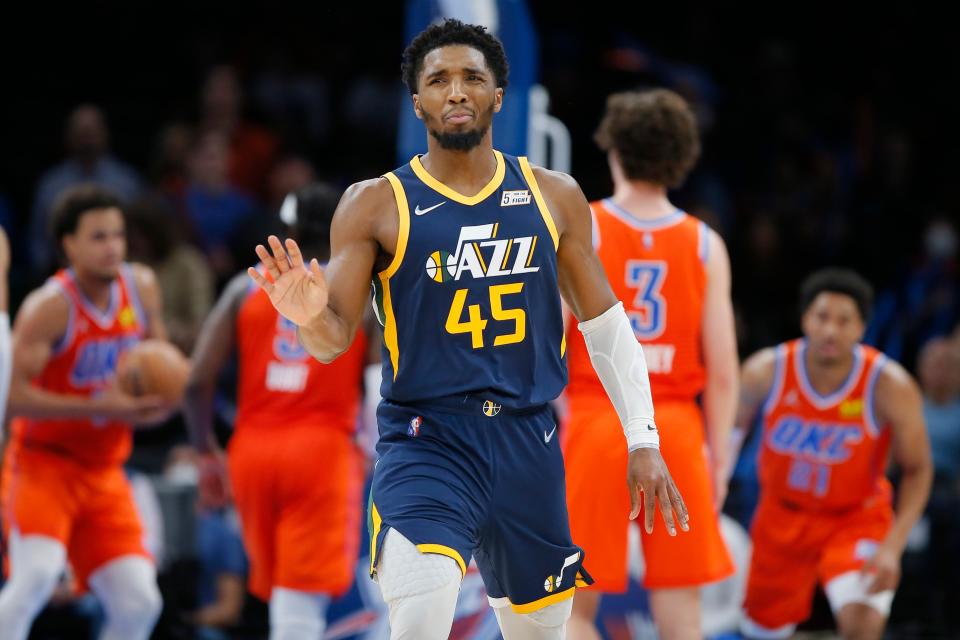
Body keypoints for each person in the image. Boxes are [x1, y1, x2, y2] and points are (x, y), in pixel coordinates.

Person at [247, 19, 688, 639]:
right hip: (427, 440)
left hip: (526, 440)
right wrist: (306, 315)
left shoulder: (553, 195)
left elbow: (608, 328)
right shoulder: (374, 203)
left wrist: (643, 439)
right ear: (417, 100)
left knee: (541, 631)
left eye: (472, 78)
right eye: (439, 80)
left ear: (497, 96)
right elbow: (330, 342)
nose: (456, 91)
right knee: (423, 612)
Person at [562, 89, 737, 640]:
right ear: (680, 157)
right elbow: (725, 369)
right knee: (681, 612)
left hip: (596, 419)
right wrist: (720, 457)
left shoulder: (583, 226)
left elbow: (549, 339)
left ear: (613, 149)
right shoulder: (706, 244)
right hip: (677, 429)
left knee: (573, 610)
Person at [184, 183, 373, 640]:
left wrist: (206, 451)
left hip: (251, 451)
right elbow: (378, 383)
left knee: (281, 596)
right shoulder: (359, 293)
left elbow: (195, 383)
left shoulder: (241, 288)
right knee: (300, 601)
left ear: (287, 227)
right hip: (321, 451)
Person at [0, 185, 171, 640]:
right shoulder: (49, 308)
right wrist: (98, 406)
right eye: (98, 236)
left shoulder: (142, 286)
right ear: (68, 244)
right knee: (35, 577)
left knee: (140, 602)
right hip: (44, 464)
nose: (113, 246)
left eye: (117, 234)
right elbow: (9, 396)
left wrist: (154, 403)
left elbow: (163, 365)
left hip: (104, 471)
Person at [736, 268, 933, 639]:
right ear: (805, 318)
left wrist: (893, 546)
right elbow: (725, 439)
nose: (831, 330)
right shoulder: (765, 370)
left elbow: (918, 469)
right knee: (759, 631)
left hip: (855, 518)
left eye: (845, 321)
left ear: (861, 328)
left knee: (863, 621)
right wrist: (709, 500)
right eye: (822, 317)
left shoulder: (890, 385)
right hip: (781, 517)